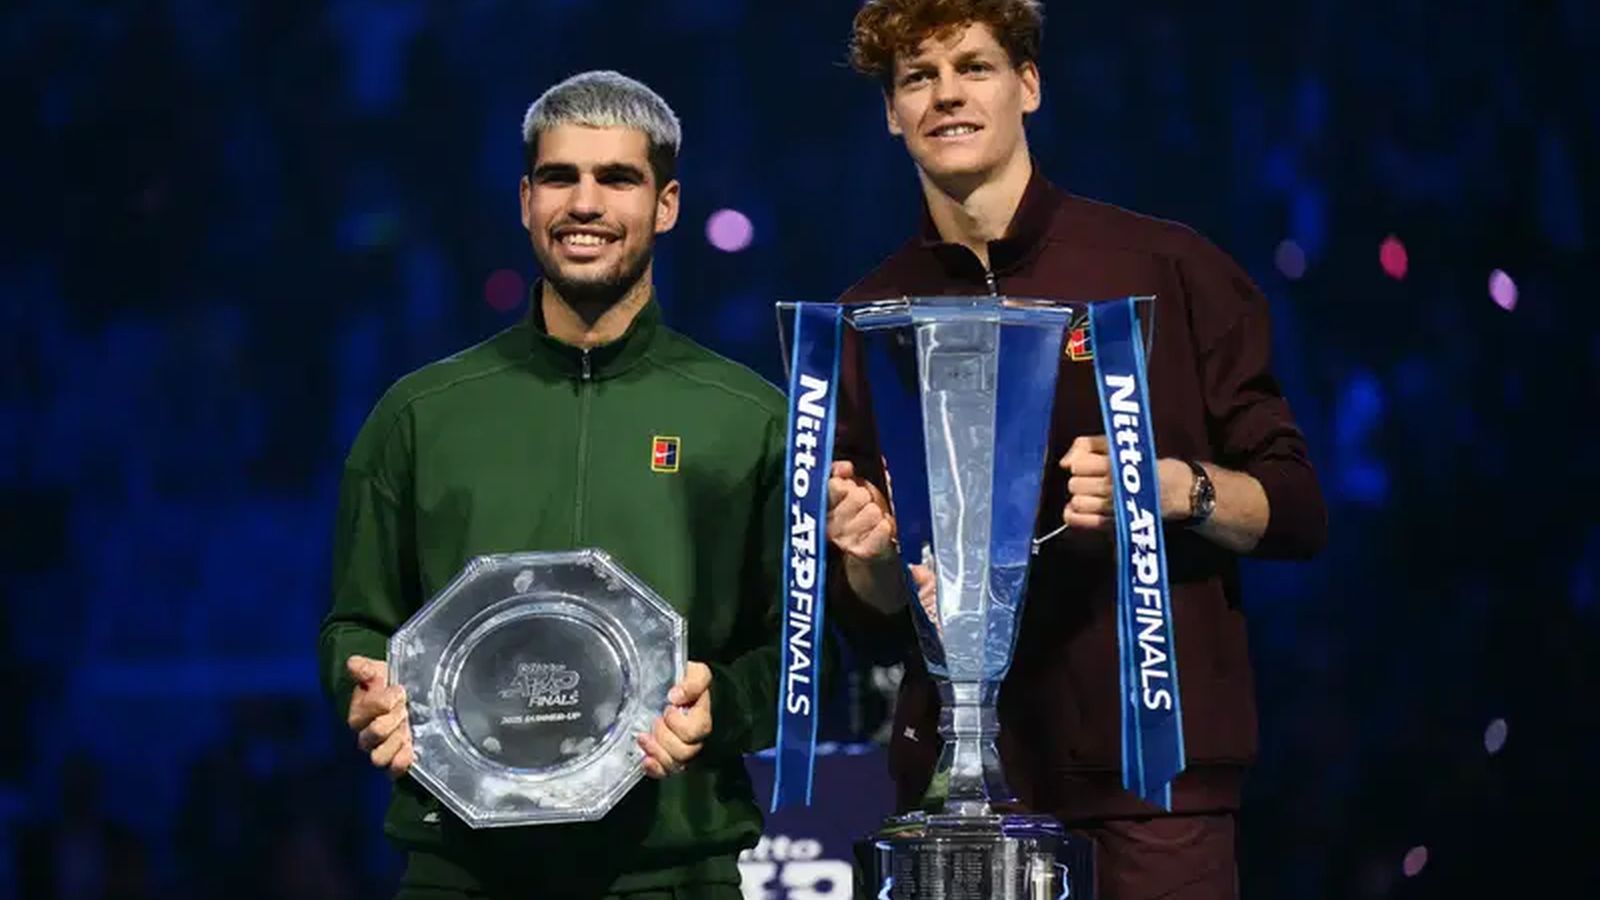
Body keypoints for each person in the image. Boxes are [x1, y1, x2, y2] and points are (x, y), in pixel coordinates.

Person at [824, 2, 1329, 898]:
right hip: (957, 797)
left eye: (973, 68)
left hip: (1152, 784)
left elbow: (1294, 506)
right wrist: (868, 556)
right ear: (891, 114)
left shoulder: (1166, 268)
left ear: (1029, 84)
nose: (946, 96)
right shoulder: (869, 316)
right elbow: (869, 612)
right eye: (917, 78)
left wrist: (1171, 488)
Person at [318, 70, 789, 900]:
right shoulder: (421, 414)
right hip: (460, 870)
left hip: (671, 867)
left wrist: (726, 708)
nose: (586, 203)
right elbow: (356, 622)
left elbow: (792, 646)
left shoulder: (749, 417)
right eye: (560, 177)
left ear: (667, 204)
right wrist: (367, 687)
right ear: (526, 201)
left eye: (618, 178)